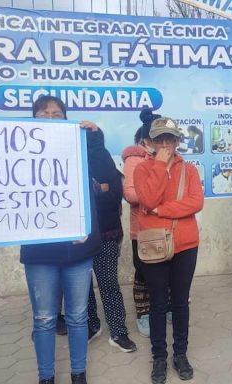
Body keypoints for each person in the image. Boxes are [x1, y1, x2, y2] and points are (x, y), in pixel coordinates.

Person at [20, 95, 105, 384]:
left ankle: (78, 374)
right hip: (39, 252)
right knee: (43, 319)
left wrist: (95, 141)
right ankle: (46, 377)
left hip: (77, 251)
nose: (50, 119)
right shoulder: (19, 153)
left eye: (57, 114)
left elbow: (106, 178)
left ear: (66, 119)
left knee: (78, 316)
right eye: (43, 114)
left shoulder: (81, 147)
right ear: (33, 119)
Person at [134, 117, 204, 384]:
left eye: (170, 139)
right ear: (150, 142)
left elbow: (195, 203)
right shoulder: (143, 169)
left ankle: (181, 354)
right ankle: (159, 357)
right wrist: (160, 166)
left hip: (186, 245)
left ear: (177, 141)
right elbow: (147, 198)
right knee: (158, 303)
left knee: (181, 302)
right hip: (154, 245)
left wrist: (161, 211)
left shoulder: (191, 171)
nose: (165, 144)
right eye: (159, 139)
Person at [86, 128, 137, 353]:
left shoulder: (105, 161)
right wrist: (97, 188)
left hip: (106, 234)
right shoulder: (68, 164)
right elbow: (94, 191)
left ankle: (118, 331)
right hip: (77, 238)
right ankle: (91, 325)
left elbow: (112, 193)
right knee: (82, 287)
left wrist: (99, 188)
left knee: (109, 285)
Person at [122, 108, 161, 338]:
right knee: (143, 272)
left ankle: (164, 308)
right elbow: (131, 194)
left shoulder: (171, 158)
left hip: (167, 226)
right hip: (143, 229)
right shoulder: (134, 160)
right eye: (157, 138)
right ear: (146, 140)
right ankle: (143, 314)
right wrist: (158, 196)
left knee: (165, 270)